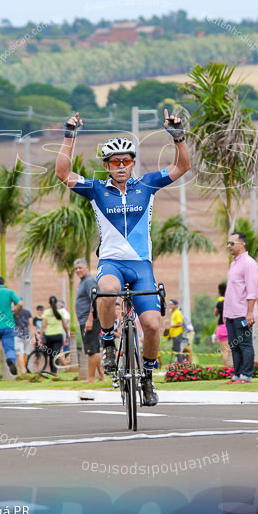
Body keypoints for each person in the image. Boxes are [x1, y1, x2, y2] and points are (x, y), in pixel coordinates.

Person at [55, 109, 190, 407]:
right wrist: (69, 136)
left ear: (132, 164)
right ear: (106, 165)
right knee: (106, 292)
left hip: (141, 266)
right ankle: (107, 341)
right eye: (115, 162)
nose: (121, 166)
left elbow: (182, 167)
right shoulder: (96, 189)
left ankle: (148, 378)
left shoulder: (148, 185)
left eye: (126, 161)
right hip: (112, 263)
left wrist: (178, 136)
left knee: (153, 325)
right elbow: (63, 175)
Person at [224, 231, 258, 384]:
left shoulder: (249, 263)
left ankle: (246, 376)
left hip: (243, 312)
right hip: (231, 313)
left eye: (232, 243)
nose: (229, 246)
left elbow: (252, 290)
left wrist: (250, 312)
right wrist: (225, 313)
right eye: (228, 243)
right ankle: (237, 375)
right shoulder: (234, 263)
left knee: (244, 344)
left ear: (242, 244)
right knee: (234, 345)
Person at [74, 258, 103, 383]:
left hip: (90, 319)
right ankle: (102, 376)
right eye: (76, 269)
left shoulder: (89, 281)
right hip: (85, 319)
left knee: (92, 350)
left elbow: (95, 299)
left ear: (87, 267)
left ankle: (91, 378)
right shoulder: (83, 282)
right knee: (92, 348)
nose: (78, 270)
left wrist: (90, 319)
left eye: (80, 267)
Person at [41, 296, 67, 376]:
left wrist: (40, 336)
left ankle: (52, 371)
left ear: (49, 302)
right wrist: (68, 335)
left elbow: (43, 326)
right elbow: (64, 325)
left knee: (50, 354)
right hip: (58, 335)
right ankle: (54, 372)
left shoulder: (46, 312)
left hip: (48, 336)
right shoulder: (60, 312)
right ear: (56, 303)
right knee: (55, 354)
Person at [214, 282, 231, 368]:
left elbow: (215, 313)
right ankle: (230, 367)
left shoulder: (219, 303)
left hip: (221, 327)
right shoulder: (230, 301)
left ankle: (226, 367)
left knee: (225, 350)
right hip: (229, 326)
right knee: (231, 349)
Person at [13, 303, 33, 374]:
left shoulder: (12, 312)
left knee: (20, 353)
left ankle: (23, 370)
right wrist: (33, 336)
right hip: (26, 336)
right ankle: (24, 369)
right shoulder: (27, 312)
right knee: (25, 353)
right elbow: (31, 325)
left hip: (17, 336)